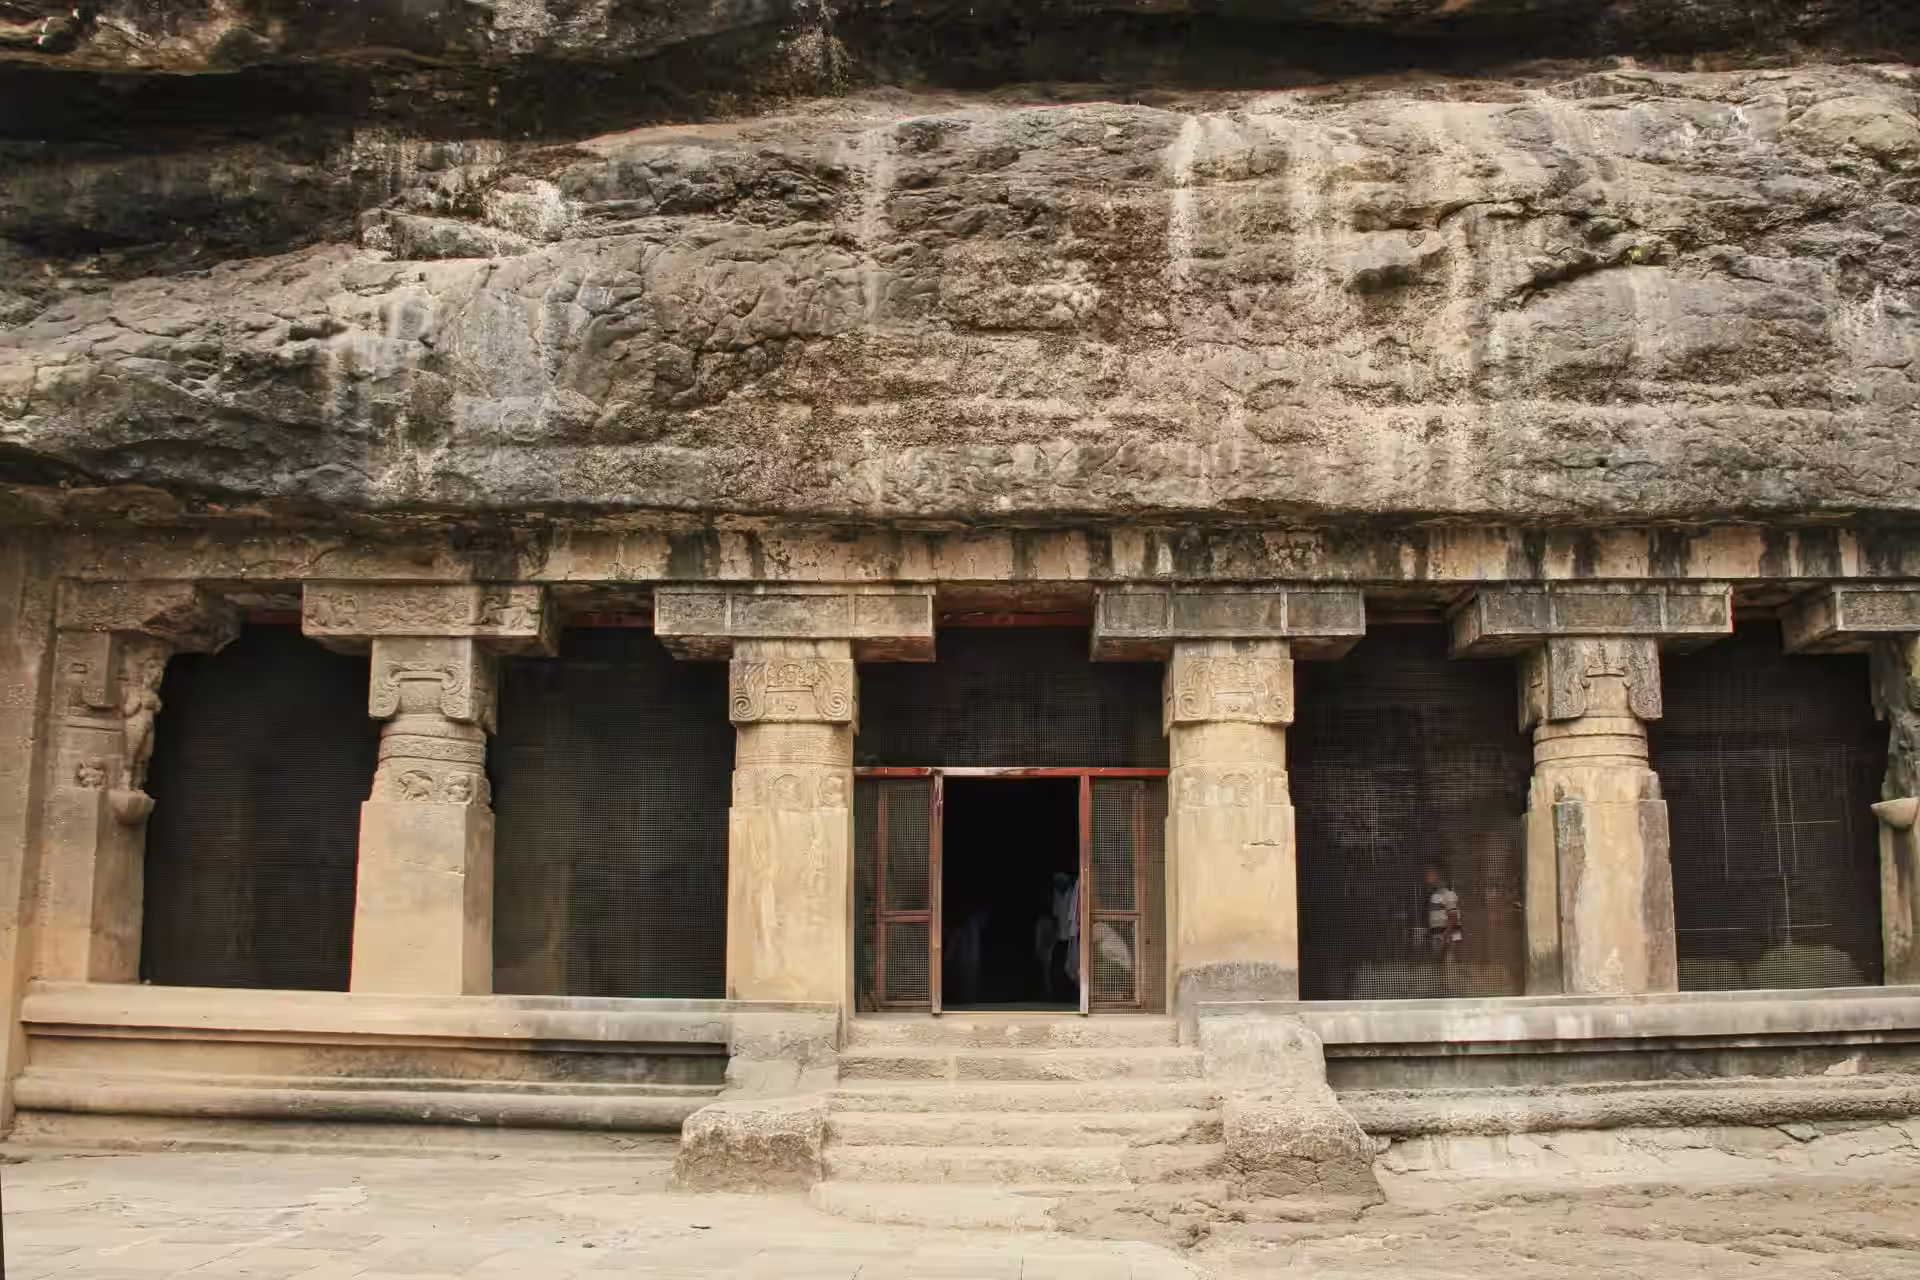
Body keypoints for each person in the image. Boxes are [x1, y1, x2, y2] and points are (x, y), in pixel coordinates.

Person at [1424, 864, 1462, 961]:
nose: (1427, 877)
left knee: (1448, 968)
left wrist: (1444, 936)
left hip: (1448, 937)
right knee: (1440, 967)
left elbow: (1453, 916)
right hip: (1440, 937)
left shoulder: (1447, 893)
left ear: (1438, 875)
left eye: (1430, 874)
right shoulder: (1433, 895)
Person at [1051, 871, 1080, 991]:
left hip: (1072, 936)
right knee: (1061, 965)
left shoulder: (1073, 894)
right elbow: (1056, 915)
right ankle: (1061, 992)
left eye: (1062, 882)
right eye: (1057, 882)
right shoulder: (1057, 895)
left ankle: (1077, 992)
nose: (1059, 884)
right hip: (1061, 937)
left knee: (1072, 966)